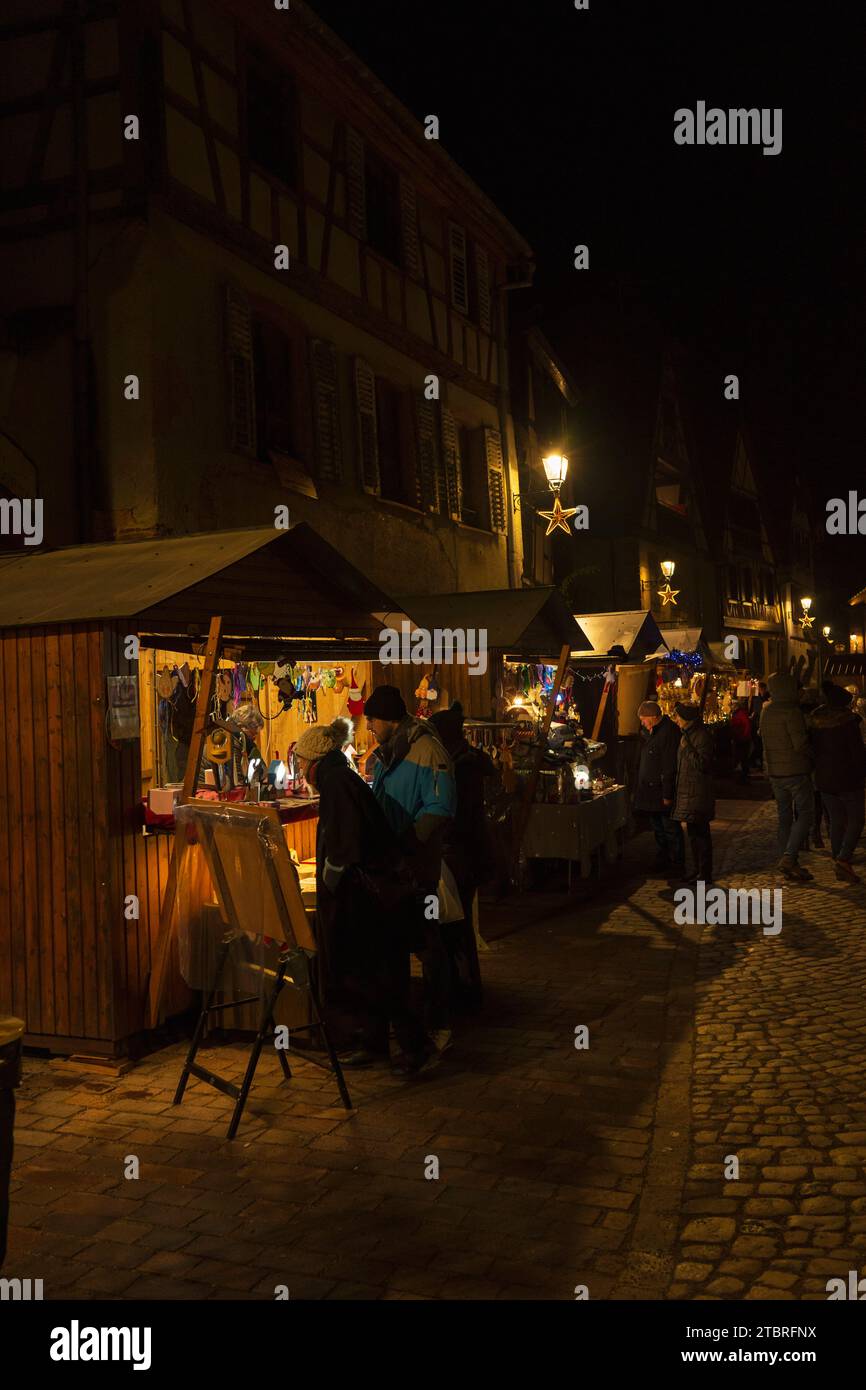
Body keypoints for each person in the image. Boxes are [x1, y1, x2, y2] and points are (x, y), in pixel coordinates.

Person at [293, 722, 436, 1076]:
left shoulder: (337, 783)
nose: (298, 770)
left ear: (314, 760)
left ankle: (417, 1050)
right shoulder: (338, 779)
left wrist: (331, 876)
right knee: (369, 975)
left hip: (368, 900)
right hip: (367, 896)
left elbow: (348, 842)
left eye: (300, 762)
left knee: (382, 977)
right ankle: (374, 1046)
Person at [363, 685, 456, 1059]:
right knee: (395, 949)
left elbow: (440, 807)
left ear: (387, 719)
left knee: (429, 946)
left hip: (419, 872)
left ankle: (440, 1023)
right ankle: (396, 1032)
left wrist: (407, 843)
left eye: (371, 720)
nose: (368, 727)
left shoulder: (426, 751)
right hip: (393, 871)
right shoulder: (393, 752)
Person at [428, 701, 496, 1012]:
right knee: (459, 925)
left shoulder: (460, 768)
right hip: (470, 853)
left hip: (460, 855)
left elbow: (456, 816)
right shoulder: (469, 761)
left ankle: (463, 989)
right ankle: (465, 987)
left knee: (456, 926)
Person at [807, 683, 866, 883]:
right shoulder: (848, 722)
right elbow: (857, 753)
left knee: (836, 819)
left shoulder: (815, 721)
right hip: (848, 778)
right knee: (857, 818)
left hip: (824, 778)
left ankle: (838, 857)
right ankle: (843, 858)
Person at [759, 671, 814, 881]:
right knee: (806, 813)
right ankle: (790, 857)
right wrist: (813, 756)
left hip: (775, 772)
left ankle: (787, 858)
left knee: (784, 817)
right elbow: (800, 743)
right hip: (796, 771)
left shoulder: (767, 711)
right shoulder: (791, 711)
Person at [632, 700, 685, 875]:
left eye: (644, 719)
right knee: (658, 827)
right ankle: (664, 858)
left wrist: (667, 793)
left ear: (654, 717)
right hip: (650, 791)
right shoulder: (651, 732)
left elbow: (668, 765)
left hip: (661, 790)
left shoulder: (668, 733)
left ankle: (677, 863)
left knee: (670, 827)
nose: (642, 723)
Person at [671, 702, 715, 884]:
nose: (676, 720)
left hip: (698, 793)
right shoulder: (687, 735)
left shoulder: (700, 736)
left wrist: (687, 748)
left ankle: (704, 873)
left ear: (686, 719)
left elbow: (702, 764)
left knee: (701, 835)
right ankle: (697, 870)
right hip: (688, 792)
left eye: (678, 717)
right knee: (693, 834)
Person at [730, 698, 753, 785]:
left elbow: (747, 725)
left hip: (742, 739)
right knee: (741, 757)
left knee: (743, 757)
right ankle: (743, 776)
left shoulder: (740, 713)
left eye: (732, 705)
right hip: (739, 738)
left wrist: (744, 735)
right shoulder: (737, 713)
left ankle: (744, 776)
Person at [749, 680, 769, 768]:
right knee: (758, 745)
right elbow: (755, 710)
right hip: (756, 723)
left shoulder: (765, 698)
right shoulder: (757, 698)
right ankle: (755, 762)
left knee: (759, 745)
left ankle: (755, 762)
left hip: (761, 723)